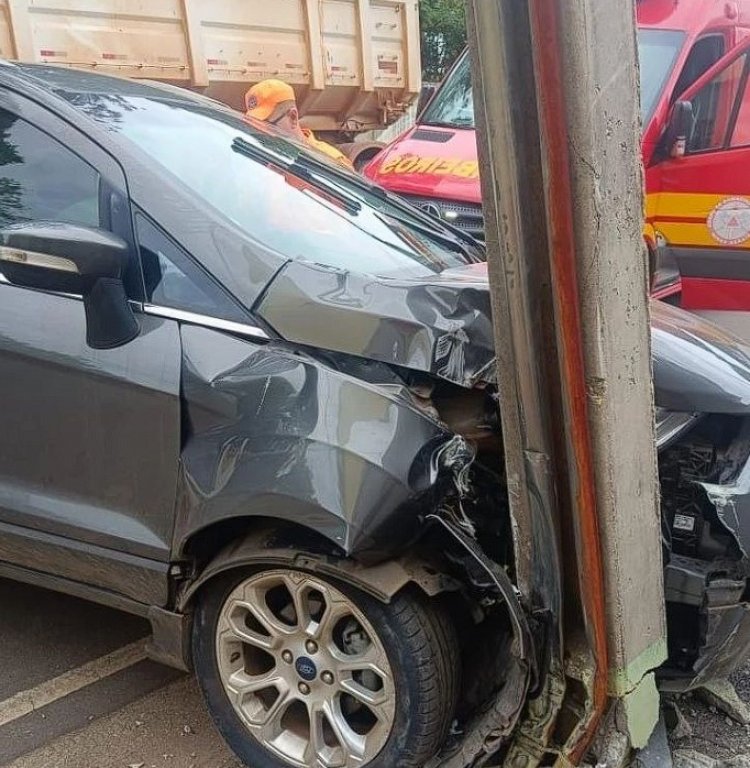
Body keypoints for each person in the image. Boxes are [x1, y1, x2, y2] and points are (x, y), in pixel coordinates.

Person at [245, 79, 354, 169]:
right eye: (255, 126)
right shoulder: (259, 162)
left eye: (268, 125)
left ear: (293, 117)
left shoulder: (332, 163)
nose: (262, 133)